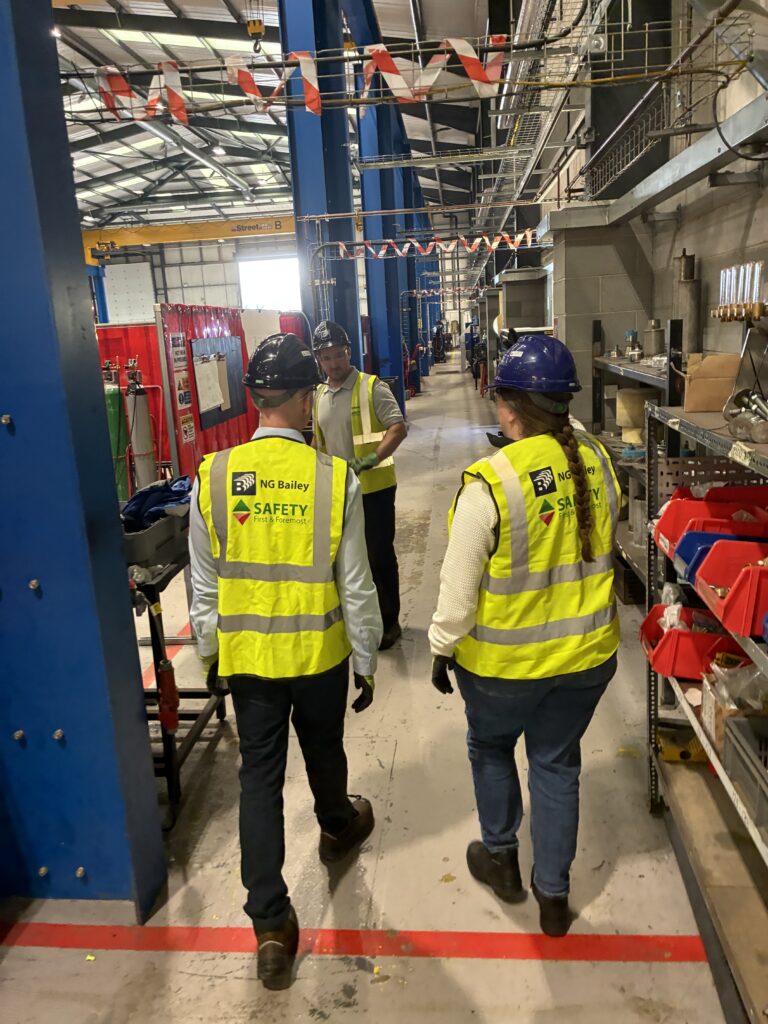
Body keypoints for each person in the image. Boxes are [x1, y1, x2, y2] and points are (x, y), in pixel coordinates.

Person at [189, 333, 383, 991]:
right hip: (318, 656)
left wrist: (212, 654)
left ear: (253, 399)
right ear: (305, 401)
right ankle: (336, 824)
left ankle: (270, 925)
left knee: (258, 781)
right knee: (324, 750)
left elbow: (204, 582)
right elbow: (356, 582)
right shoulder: (334, 478)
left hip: (250, 663)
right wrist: (366, 660)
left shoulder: (212, 476)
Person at [428, 334, 620, 938]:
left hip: (504, 671)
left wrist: (440, 647)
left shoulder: (492, 481)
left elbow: (458, 591)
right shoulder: (597, 461)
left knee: (490, 749)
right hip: (588, 660)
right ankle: (554, 896)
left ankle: (502, 858)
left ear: (509, 407)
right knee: (557, 763)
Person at [312, 320, 408, 650]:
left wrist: (371, 459)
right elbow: (317, 442)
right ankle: (354, 621)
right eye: (327, 357)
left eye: (339, 355)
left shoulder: (372, 387)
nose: (334, 363)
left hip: (375, 489)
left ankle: (388, 623)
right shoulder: (319, 396)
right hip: (338, 490)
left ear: (349, 352)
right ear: (319, 360)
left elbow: (398, 427)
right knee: (345, 558)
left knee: (378, 557)